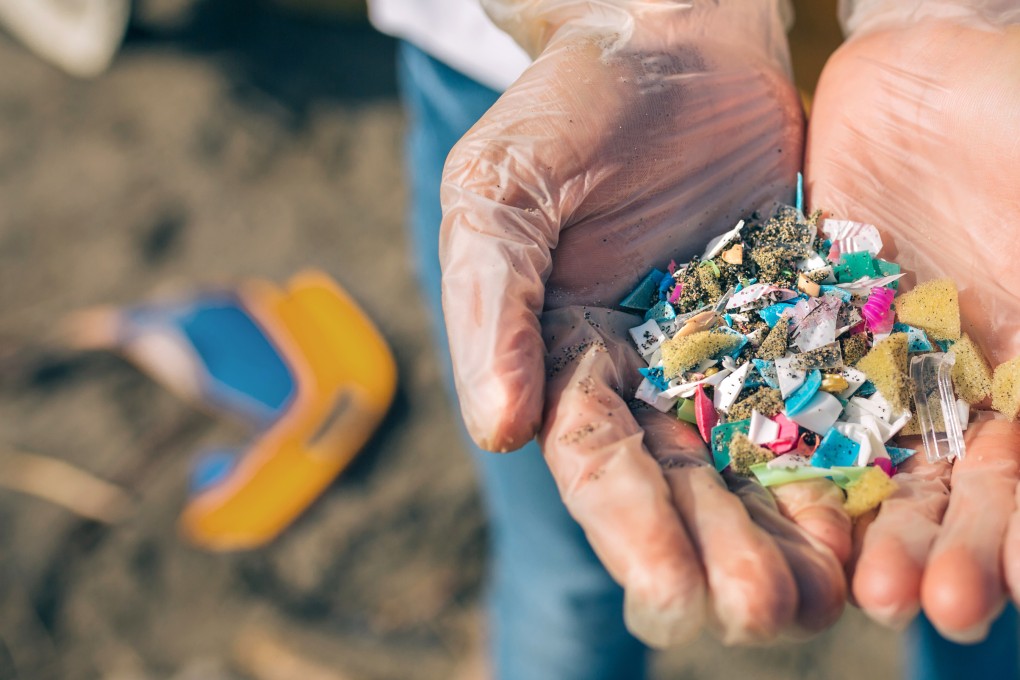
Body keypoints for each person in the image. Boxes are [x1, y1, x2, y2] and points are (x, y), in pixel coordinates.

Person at [369, 0, 1020, 677]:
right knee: (569, 568)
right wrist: (650, 17)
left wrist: (968, 13)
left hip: (928, 105)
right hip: (553, 88)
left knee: (977, 584)